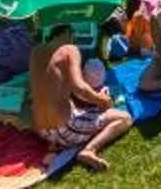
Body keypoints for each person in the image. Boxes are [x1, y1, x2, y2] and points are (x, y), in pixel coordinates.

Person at [31, 23, 133, 170]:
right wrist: (102, 100)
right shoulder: (69, 50)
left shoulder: (36, 51)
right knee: (124, 118)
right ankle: (89, 150)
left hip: (40, 128)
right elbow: (79, 88)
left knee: (60, 105)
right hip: (66, 129)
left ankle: (53, 146)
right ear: (68, 34)